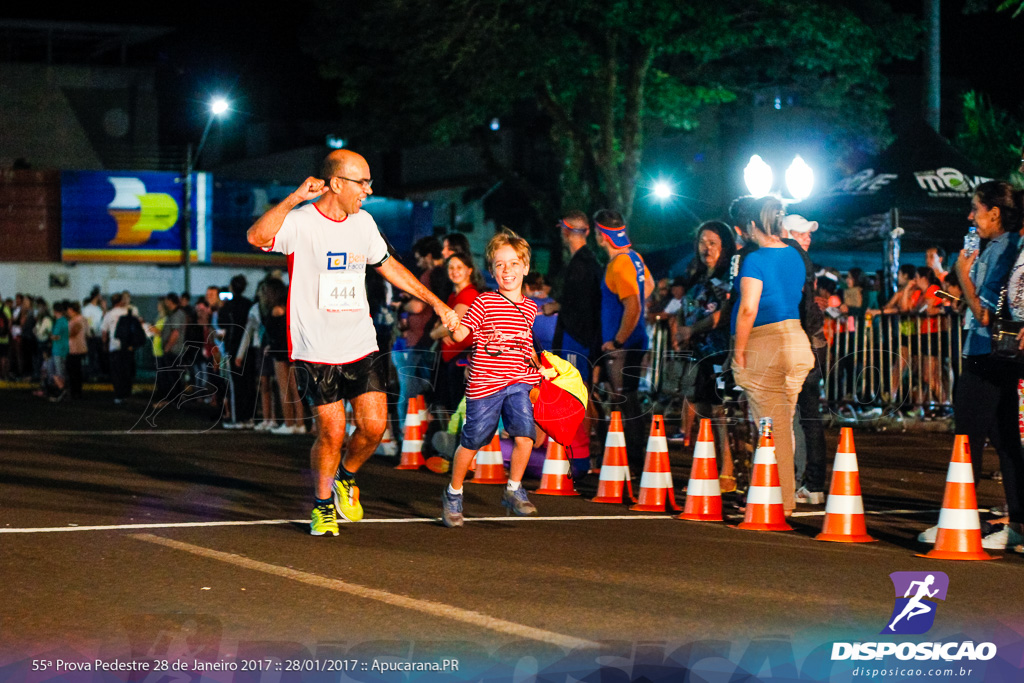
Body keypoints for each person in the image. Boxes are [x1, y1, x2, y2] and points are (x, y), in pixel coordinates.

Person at [246, 149, 458, 537]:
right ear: (337, 183)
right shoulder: (301, 222)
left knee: (375, 428)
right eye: (362, 182)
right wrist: (294, 198)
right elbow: (256, 236)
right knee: (332, 433)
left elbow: (389, 266)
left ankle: (347, 476)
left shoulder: (364, 223)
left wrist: (438, 304)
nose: (369, 189)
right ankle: (323, 505)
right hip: (314, 348)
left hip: (360, 342)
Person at [439, 229, 555, 527]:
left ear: (526, 268)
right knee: (473, 441)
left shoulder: (530, 308)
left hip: (519, 382)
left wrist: (539, 366)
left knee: (525, 437)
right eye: (501, 265)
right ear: (492, 270)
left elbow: (525, 343)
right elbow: (463, 334)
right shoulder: (483, 303)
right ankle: (453, 493)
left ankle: (514, 489)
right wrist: (452, 323)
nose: (508, 270)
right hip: (485, 385)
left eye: (515, 263)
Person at [938, 179, 1024, 552]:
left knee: (967, 438)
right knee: (1005, 441)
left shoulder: (1005, 251)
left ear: (995, 212)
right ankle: (1017, 526)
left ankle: (960, 521)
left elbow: (986, 315)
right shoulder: (999, 248)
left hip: (987, 354)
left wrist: (962, 275)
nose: (971, 216)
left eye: (976, 209)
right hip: (995, 355)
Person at [730, 196, 814, 516]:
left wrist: (739, 353)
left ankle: (781, 503)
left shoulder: (755, 260)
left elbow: (749, 307)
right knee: (782, 427)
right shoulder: (795, 254)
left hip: (766, 342)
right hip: (796, 341)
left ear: (752, 225)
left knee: (772, 428)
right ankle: (768, 494)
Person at [676, 221, 737, 492]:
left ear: (724, 245)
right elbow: (684, 305)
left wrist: (693, 328)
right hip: (696, 351)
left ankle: (728, 471)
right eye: (702, 241)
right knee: (700, 408)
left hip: (719, 350)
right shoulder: (696, 275)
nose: (706, 247)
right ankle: (707, 466)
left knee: (720, 411)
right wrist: (680, 329)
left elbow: (724, 313)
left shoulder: (726, 278)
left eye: (712, 242)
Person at [595, 209, 654, 469]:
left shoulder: (619, 264)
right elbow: (648, 286)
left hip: (624, 344)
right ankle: (632, 460)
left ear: (601, 236)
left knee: (623, 399)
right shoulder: (634, 257)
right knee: (627, 398)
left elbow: (633, 306)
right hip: (636, 339)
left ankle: (631, 462)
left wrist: (617, 340)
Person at [780, 213, 829, 505]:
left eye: (808, 233)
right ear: (785, 231)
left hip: (801, 342)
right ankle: (812, 484)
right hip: (811, 342)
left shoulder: (791, 256)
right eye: (801, 233)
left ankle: (800, 480)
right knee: (808, 416)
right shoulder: (801, 260)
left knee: (797, 416)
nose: (807, 237)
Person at [547, 210, 603, 383]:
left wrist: (555, 307)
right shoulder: (592, 261)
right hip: (589, 337)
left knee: (575, 389)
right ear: (587, 232)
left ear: (565, 231)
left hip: (577, 336)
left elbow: (580, 303)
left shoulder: (579, 264)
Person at [429, 252, 484, 412]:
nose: (455, 271)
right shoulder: (454, 295)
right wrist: (441, 330)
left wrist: (436, 334)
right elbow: (441, 325)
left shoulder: (469, 294)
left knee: (458, 407)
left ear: (469, 270)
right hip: (450, 359)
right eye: (451, 267)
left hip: (461, 360)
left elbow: (448, 327)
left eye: (459, 267)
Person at [220, 275, 257, 428]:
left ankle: (238, 418)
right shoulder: (250, 305)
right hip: (250, 348)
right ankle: (249, 417)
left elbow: (222, 324)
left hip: (234, 347)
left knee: (236, 385)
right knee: (249, 383)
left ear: (231, 287)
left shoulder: (228, 306)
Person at [66, 301, 87, 398]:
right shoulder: (82, 319)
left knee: (73, 371)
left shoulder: (77, 320)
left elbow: (73, 333)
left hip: (74, 349)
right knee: (77, 371)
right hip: (79, 347)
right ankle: (77, 391)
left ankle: (75, 392)